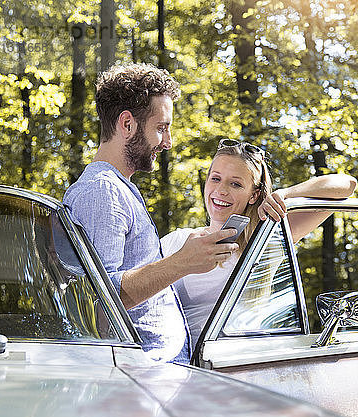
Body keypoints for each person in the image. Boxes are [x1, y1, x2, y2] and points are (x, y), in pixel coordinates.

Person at [63, 64, 239, 363]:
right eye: (161, 127)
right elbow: (95, 303)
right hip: (140, 378)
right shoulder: (101, 192)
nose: (168, 142)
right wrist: (181, 263)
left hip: (154, 375)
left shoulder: (118, 189)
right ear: (127, 124)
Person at [161, 139, 357, 348]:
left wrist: (285, 195)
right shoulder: (178, 240)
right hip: (194, 363)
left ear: (254, 195)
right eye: (215, 179)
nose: (221, 190)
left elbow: (346, 186)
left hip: (252, 359)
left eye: (235, 184)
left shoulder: (266, 238)